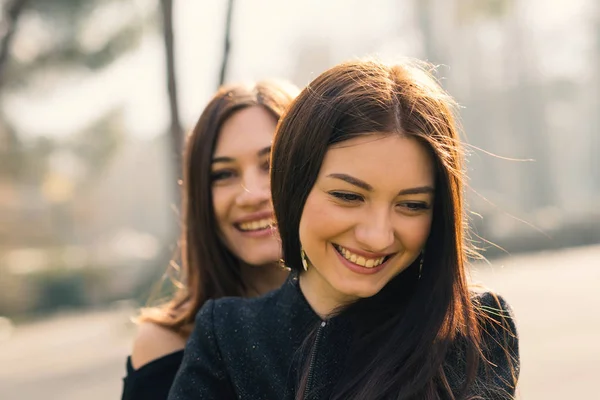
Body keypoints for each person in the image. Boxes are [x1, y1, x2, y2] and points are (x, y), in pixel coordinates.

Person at [168, 59, 520, 400]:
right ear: (293, 185)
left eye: (412, 205)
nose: (377, 236)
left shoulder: (476, 327)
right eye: (348, 196)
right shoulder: (228, 335)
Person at [120, 80, 300, 400]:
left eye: (271, 164)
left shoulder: (372, 318)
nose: (251, 194)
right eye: (223, 174)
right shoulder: (166, 344)